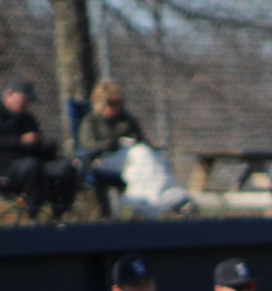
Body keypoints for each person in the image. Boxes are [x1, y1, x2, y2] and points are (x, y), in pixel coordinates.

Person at [77, 79, 192, 217]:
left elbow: (141, 140)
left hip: (132, 157)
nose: (115, 107)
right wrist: (110, 144)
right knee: (140, 157)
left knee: (148, 157)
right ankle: (149, 203)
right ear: (100, 104)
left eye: (118, 103)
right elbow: (88, 144)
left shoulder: (126, 119)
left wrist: (136, 141)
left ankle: (171, 196)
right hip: (103, 159)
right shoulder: (91, 121)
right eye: (110, 103)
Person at [0, 78, 77, 220]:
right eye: (22, 101)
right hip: (6, 166)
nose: (25, 105)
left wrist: (46, 147)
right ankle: (33, 215)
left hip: (31, 162)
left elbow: (37, 148)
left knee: (66, 167)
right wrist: (20, 141)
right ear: (9, 95)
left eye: (28, 102)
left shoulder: (27, 119)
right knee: (31, 166)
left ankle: (60, 214)